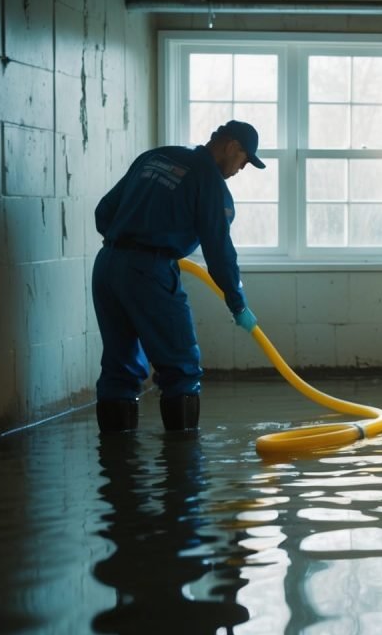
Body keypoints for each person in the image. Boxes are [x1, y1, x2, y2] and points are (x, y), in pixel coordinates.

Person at [92, 120, 264, 434]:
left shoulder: (155, 157)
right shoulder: (210, 183)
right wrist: (237, 303)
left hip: (107, 267)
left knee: (119, 368)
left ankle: (116, 467)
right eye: (244, 161)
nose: (241, 169)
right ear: (231, 147)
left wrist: (126, 246)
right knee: (182, 369)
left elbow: (103, 212)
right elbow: (219, 252)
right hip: (150, 272)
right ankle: (183, 470)